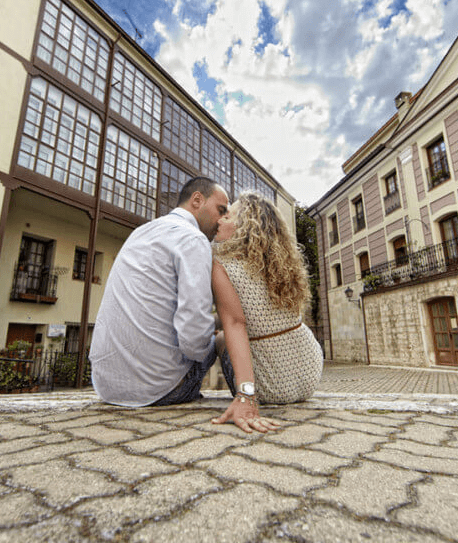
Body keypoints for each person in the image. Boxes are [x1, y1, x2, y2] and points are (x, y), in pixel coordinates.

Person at [89, 176, 229, 407]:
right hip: (160, 389)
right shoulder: (193, 239)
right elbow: (194, 340)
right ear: (197, 200)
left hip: (107, 388)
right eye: (221, 209)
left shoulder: (141, 232)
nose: (223, 219)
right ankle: (249, 396)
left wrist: (216, 320)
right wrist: (225, 324)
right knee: (226, 338)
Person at [210, 192, 323, 431]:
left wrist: (246, 397)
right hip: (310, 373)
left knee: (219, 337)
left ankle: (239, 389)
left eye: (227, 216)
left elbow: (235, 323)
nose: (220, 220)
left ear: (244, 227)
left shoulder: (222, 265)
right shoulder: (281, 263)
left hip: (271, 386)